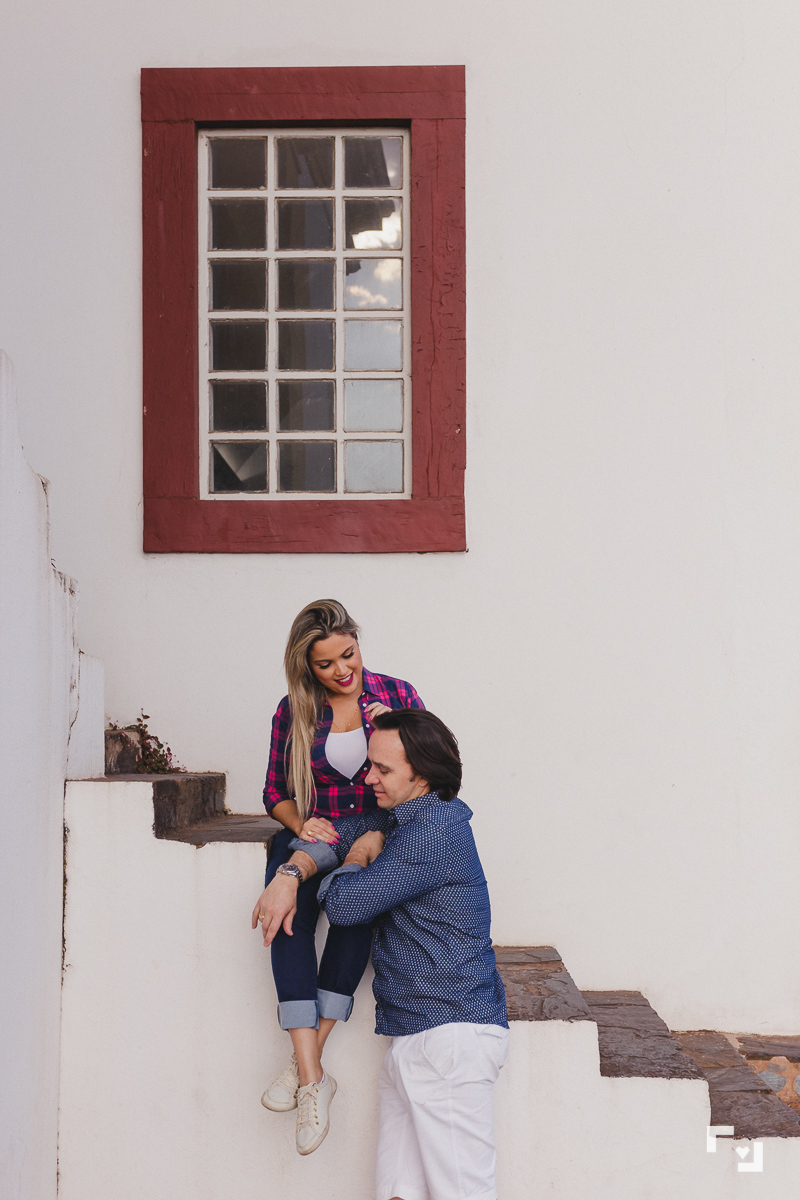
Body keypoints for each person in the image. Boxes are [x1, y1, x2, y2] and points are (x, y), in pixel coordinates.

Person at [255, 708, 508, 1200]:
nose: (368, 777)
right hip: (414, 1038)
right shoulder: (398, 818)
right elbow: (337, 834)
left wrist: (357, 857)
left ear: (422, 776)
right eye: (371, 764)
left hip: (449, 1040)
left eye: (383, 769)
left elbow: (346, 905)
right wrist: (289, 875)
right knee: (396, 1193)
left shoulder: (434, 831)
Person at [252, 599, 424, 1156]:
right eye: (325, 664)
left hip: (377, 833)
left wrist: (395, 732)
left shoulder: (396, 694)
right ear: (307, 666)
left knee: (354, 917)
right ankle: (312, 1078)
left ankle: (305, 1065)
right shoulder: (295, 710)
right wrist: (301, 824)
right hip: (316, 834)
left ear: (357, 642)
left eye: (348, 654)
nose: (341, 670)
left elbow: (432, 771)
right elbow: (274, 791)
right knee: (287, 919)